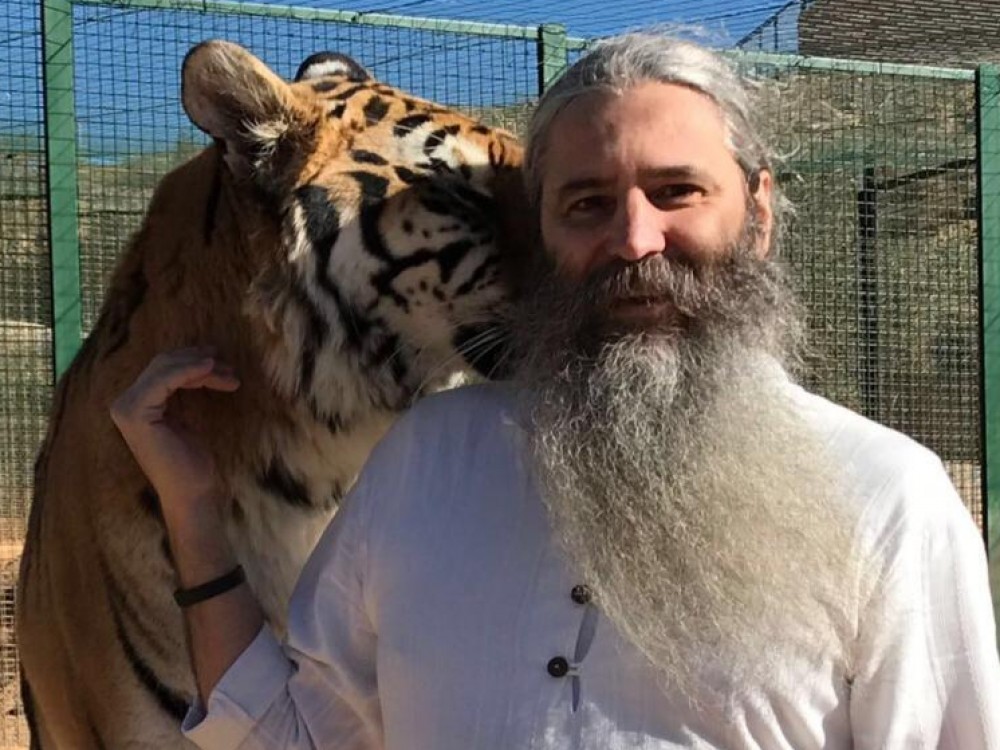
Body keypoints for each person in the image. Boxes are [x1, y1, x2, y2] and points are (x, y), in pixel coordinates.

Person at [111, 32, 1000, 749]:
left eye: (677, 191)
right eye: (586, 204)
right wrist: (193, 512)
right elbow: (295, 737)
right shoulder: (427, 460)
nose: (634, 239)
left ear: (759, 213)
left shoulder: (890, 499)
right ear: (540, 232)